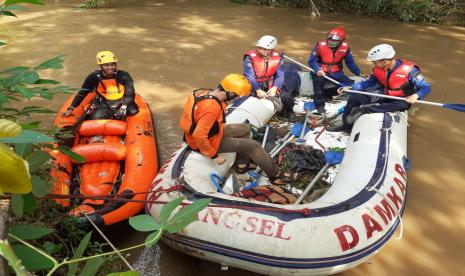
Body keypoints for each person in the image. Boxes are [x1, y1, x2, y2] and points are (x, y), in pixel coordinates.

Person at [180, 74, 279, 179]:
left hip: (210, 131)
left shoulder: (202, 92)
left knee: (245, 129)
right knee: (253, 146)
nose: (235, 99)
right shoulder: (211, 107)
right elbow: (199, 135)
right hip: (204, 141)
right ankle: (275, 174)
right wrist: (214, 156)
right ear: (231, 93)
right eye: (237, 96)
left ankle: (242, 165)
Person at [328, 44, 432, 132]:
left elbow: (425, 87)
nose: (373, 64)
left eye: (375, 62)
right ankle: (346, 125)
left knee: (402, 105)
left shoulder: (410, 70)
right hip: (384, 92)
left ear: (385, 61)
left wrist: (416, 95)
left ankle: (366, 110)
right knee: (355, 98)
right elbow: (368, 83)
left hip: (402, 98)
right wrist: (351, 87)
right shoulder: (377, 69)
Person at [62, 51, 138, 120]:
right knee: (96, 117)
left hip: (122, 102)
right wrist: (71, 108)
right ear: (100, 66)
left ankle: (119, 116)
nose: (110, 68)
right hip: (105, 104)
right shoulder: (93, 77)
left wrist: (123, 107)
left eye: (113, 64)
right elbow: (82, 93)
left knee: (133, 111)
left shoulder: (124, 75)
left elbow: (130, 94)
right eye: (106, 65)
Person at [308, 27, 366, 113]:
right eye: (330, 40)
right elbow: (311, 61)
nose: (331, 42)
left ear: (341, 41)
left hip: (336, 72)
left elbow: (350, 63)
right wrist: (318, 69)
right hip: (320, 72)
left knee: (350, 86)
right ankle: (319, 105)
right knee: (318, 83)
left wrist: (359, 73)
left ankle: (326, 93)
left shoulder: (345, 49)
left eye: (334, 41)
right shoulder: (319, 46)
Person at [243, 35, 290, 117]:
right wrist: (257, 90)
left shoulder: (278, 57)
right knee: (249, 100)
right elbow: (249, 76)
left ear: (271, 49)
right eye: (259, 48)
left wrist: (275, 87)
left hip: (270, 82)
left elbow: (280, 74)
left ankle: (289, 113)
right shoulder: (249, 58)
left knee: (286, 96)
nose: (261, 50)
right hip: (254, 83)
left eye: (265, 49)